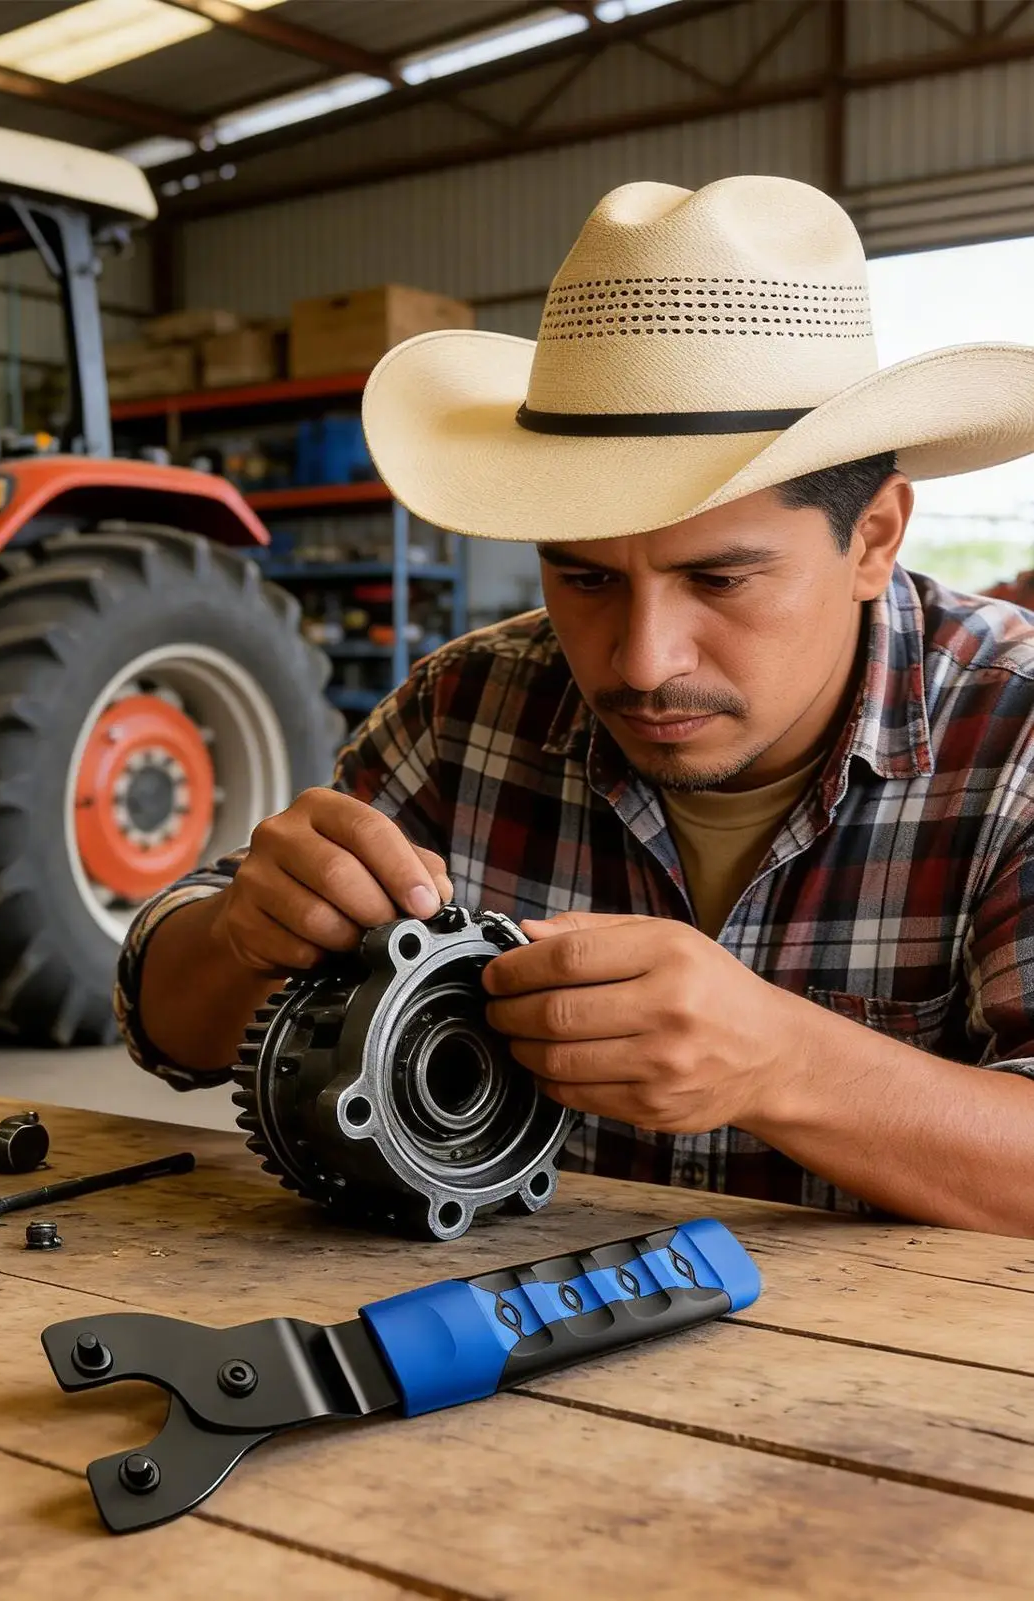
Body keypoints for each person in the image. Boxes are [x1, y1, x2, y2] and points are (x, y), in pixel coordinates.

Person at [114, 175, 1034, 1235]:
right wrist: (239, 933)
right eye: (585, 580)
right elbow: (172, 1031)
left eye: (719, 580)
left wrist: (790, 1064)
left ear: (871, 537)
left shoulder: (1010, 735)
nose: (641, 661)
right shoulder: (464, 709)